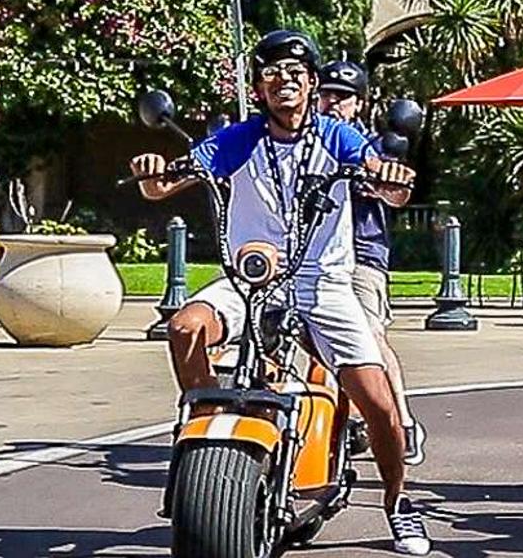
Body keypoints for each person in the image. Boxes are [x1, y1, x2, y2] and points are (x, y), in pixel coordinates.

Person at [131, 32, 430, 555]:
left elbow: (386, 185)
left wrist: (390, 176)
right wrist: (152, 173)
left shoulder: (337, 137)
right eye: (271, 72)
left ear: (312, 83)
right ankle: (211, 432)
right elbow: (166, 187)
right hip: (251, 278)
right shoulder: (240, 139)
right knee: (185, 327)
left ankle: (398, 503)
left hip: (322, 282)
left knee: (380, 405)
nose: (284, 79)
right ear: (259, 86)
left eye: (295, 71)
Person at [315, 59, 426, 467]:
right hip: (306, 254)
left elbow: (393, 189)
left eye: (342, 98)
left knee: (368, 335)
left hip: (361, 252)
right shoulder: (302, 143)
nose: (332, 103)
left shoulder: (373, 148)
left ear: (358, 104)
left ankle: (403, 422)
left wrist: (387, 181)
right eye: (326, 94)